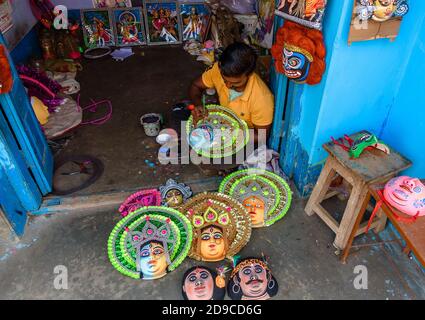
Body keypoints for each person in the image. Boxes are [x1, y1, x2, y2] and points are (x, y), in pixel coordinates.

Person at [189, 42, 274, 144]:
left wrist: (228, 132)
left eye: (236, 83)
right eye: (225, 80)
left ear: (250, 74)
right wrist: (198, 105)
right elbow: (196, 86)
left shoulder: (262, 99)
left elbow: (261, 137)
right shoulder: (218, 69)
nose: (228, 86)